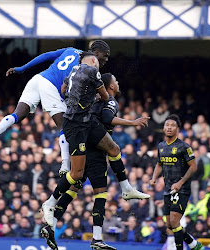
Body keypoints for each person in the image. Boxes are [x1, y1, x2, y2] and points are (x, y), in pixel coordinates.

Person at [41, 73, 150, 249]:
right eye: (116, 80)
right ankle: (97, 238)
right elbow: (107, 119)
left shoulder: (92, 99)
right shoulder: (111, 101)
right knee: (101, 194)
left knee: (73, 188)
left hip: (82, 148)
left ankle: (51, 223)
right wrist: (133, 122)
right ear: (111, 87)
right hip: (97, 152)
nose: (118, 82)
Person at [0, 40, 110, 177]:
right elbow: (70, 91)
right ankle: (65, 166)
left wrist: (23, 68)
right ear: (96, 53)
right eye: (105, 55)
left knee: (19, 113)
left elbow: (47, 55)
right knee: (63, 126)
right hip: (51, 86)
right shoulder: (87, 69)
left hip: (38, 79)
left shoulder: (71, 50)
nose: (106, 59)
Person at [149, 114, 203, 250]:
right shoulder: (161, 146)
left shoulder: (184, 147)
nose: (169, 128)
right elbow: (159, 164)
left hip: (182, 189)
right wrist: (154, 178)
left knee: (174, 221)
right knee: (170, 225)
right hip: (168, 188)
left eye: (172, 126)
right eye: (167, 125)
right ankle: (193, 244)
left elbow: (193, 166)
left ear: (177, 129)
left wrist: (180, 182)